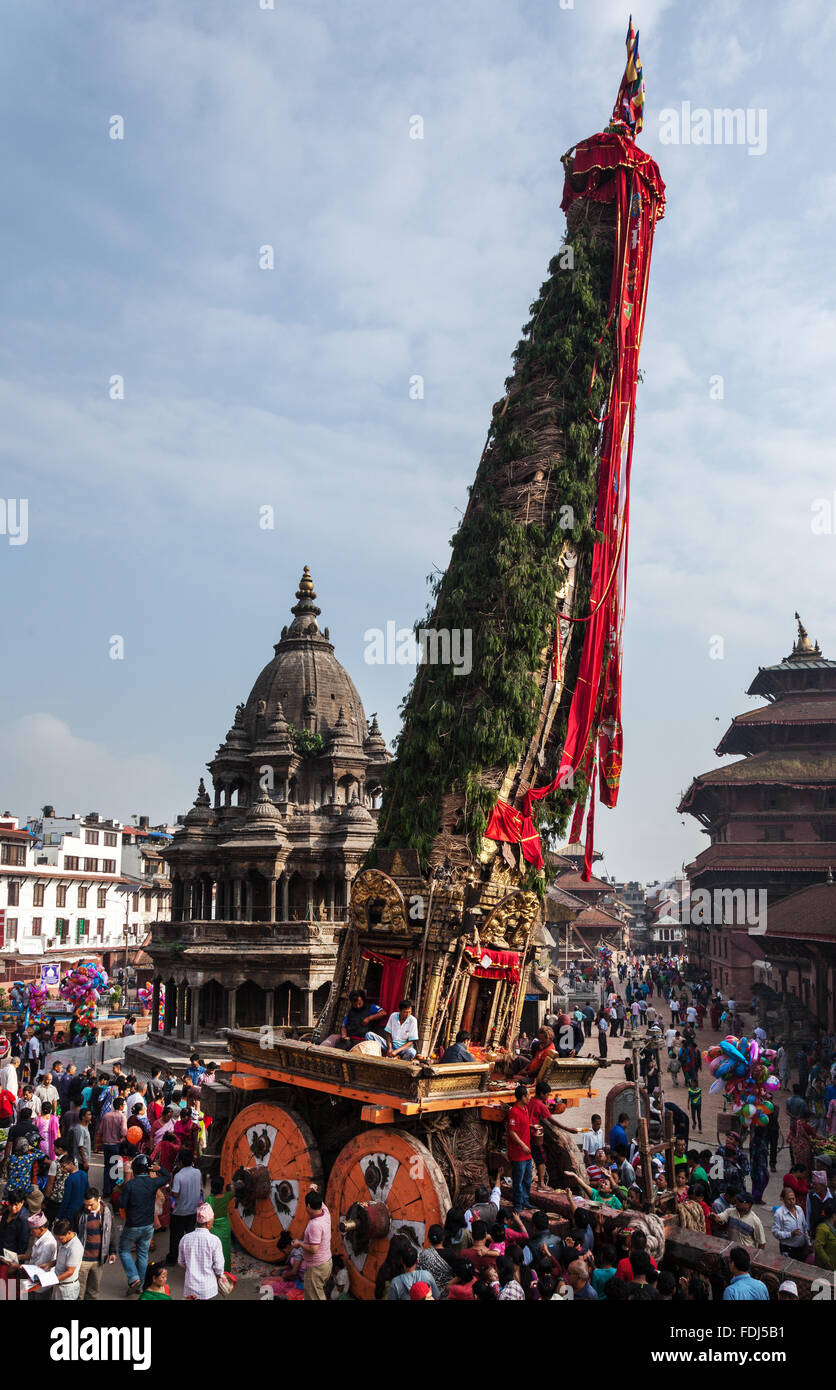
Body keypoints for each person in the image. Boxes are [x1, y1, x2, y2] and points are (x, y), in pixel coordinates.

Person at [115, 1154, 170, 1294]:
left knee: (123, 1250)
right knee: (142, 1254)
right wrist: (160, 1168)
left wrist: (122, 1190)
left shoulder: (130, 1185)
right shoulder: (153, 1182)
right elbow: (167, 1177)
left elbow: (121, 1203)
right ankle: (140, 1287)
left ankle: (134, 1279)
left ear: (134, 1169)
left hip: (133, 1225)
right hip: (148, 1226)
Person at [76, 1188, 117, 1299]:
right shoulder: (80, 1212)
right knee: (78, 1292)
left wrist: (112, 1251)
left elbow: (111, 1231)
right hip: (83, 1259)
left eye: (91, 1205)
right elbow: (74, 1233)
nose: (88, 1208)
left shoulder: (107, 1210)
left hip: (98, 1259)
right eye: (86, 1205)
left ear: (99, 1199)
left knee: (93, 1291)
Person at [178, 1203, 224, 1300]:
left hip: (191, 1288)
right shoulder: (214, 1240)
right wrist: (219, 1275)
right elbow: (219, 1266)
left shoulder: (185, 1239)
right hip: (209, 1289)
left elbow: (181, 1262)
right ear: (208, 1223)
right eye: (212, 1220)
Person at [294, 1188, 332, 1300]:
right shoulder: (325, 1213)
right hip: (327, 1262)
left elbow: (314, 1249)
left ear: (309, 1206)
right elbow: (321, 1203)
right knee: (317, 1293)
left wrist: (299, 1244)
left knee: (315, 1296)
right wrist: (314, 1191)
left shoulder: (314, 1225)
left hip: (317, 1267)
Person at [169, 1149, 203, 1263]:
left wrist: (169, 1191)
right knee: (191, 1235)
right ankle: (192, 1259)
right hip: (193, 1210)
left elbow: (176, 1193)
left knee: (176, 1237)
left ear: (181, 1162)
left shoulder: (179, 1176)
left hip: (180, 1211)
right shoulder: (198, 1172)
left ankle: (174, 1257)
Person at [507, 1084, 533, 1214]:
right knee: (518, 1180)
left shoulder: (525, 1109)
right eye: (528, 1095)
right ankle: (518, 1204)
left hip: (526, 1152)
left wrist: (531, 1127)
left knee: (527, 1179)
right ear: (522, 1097)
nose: (530, 1097)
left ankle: (525, 1201)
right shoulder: (514, 1111)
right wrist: (523, 1145)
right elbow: (512, 1132)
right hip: (519, 1153)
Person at [98, 1096, 128, 1198]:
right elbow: (124, 1132)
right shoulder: (122, 1117)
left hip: (106, 1145)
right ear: (120, 1106)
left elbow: (101, 1131)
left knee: (107, 1167)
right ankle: (115, 1192)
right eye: (123, 1105)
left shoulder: (106, 1116)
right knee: (116, 1169)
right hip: (116, 1145)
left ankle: (106, 1191)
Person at [52, 1218, 84, 1300]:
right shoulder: (65, 1241)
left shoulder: (74, 1248)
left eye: (60, 1239)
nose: (59, 1241)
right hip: (59, 1284)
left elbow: (70, 1271)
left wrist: (52, 1279)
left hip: (67, 1289)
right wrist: (48, 1264)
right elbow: (61, 1260)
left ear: (69, 1232)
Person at [208, 1174, 234, 1270]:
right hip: (224, 1227)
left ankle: (213, 1270)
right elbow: (233, 1189)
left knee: (213, 1251)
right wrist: (231, 1183)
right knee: (225, 1249)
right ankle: (225, 1270)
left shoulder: (209, 1199)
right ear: (222, 1187)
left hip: (212, 1227)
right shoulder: (227, 1196)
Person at [56, 1154, 89, 1224]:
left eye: (63, 1166)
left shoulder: (69, 1179)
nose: (62, 1169)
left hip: (71, 1212)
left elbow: (66, 1199)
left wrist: (59, 1216)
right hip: (82, 1209)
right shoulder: (84, 1174)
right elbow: (87, 1191)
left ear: (71, 1164)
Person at [813, 1199, 836, 1270]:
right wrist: (827, 1261)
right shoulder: (822, 1229)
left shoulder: (833, 1227)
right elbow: (817, 1246)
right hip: (826, 1268)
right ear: (834, 1216)